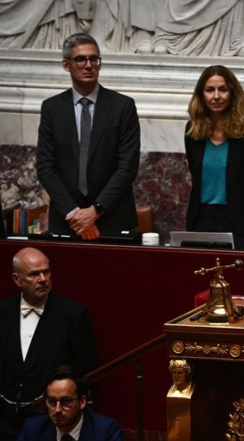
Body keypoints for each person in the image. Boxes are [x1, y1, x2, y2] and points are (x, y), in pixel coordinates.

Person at [36, 32, 141, 240]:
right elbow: (46, 167)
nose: (88, 65)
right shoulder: (52, 108)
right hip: (68, 221)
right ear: (66, 65)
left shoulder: (122, 106)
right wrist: (75, 214)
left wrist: (95, 211)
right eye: (81, 59)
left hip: (112, 218)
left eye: (94, 59)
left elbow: (127, 167)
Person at [0, 248, 97, 440]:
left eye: (46, 272)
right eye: (34, 274)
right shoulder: (2, 312)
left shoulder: (73, 315)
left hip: (48, 422)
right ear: (17, 279)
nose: (43, 279)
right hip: (3, 420)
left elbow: (86, 370)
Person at [184, 65, 244, 251]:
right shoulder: (192, 131)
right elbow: (195, 172)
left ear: (232, 93)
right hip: (201, 219)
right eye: (210, 90)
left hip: (239, 222)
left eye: (222, 89)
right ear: (201, 95)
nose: (216, 96)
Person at [16, 365, 122, 441]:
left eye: (66, 401)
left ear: (82, 402)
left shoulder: (106, 431)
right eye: (52, 401)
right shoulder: (33, 428)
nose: (57, 409)